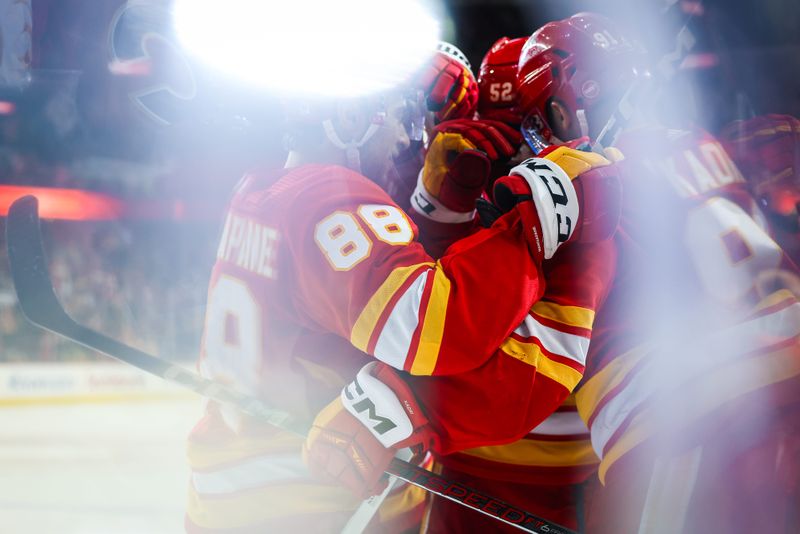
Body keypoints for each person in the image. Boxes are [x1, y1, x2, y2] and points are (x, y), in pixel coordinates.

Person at [186, 64, 619, 533]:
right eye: (404, 117)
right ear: (351, 118)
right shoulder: (329, 197)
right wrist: (535, 214)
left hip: (227, 486)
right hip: (311, 498)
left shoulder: (258, 186)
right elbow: (434, 326)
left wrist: (436, 211)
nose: (412, 139)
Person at [512, 12, 800, 534]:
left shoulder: (583, 185)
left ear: (562, 106)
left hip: (690, 417)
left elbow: (539, 347)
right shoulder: (702, 142)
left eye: (541, 120)